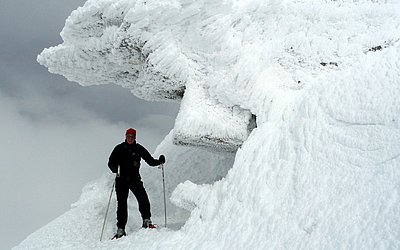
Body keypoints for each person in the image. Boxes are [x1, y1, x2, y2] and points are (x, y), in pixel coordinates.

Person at [108, 128, 165, 239]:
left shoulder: (138, 149)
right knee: (122, 204)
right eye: (128, 136)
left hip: (134, 179)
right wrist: (114, 169)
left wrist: (160, 161)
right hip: (121, 180)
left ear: (135, 137)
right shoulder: (119, 148)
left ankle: (146, 221)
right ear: (125, 136)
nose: (130, 138)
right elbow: (110, 162)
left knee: (143, 198)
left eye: (132, 136)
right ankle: (121, 229)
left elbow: (150, 161)